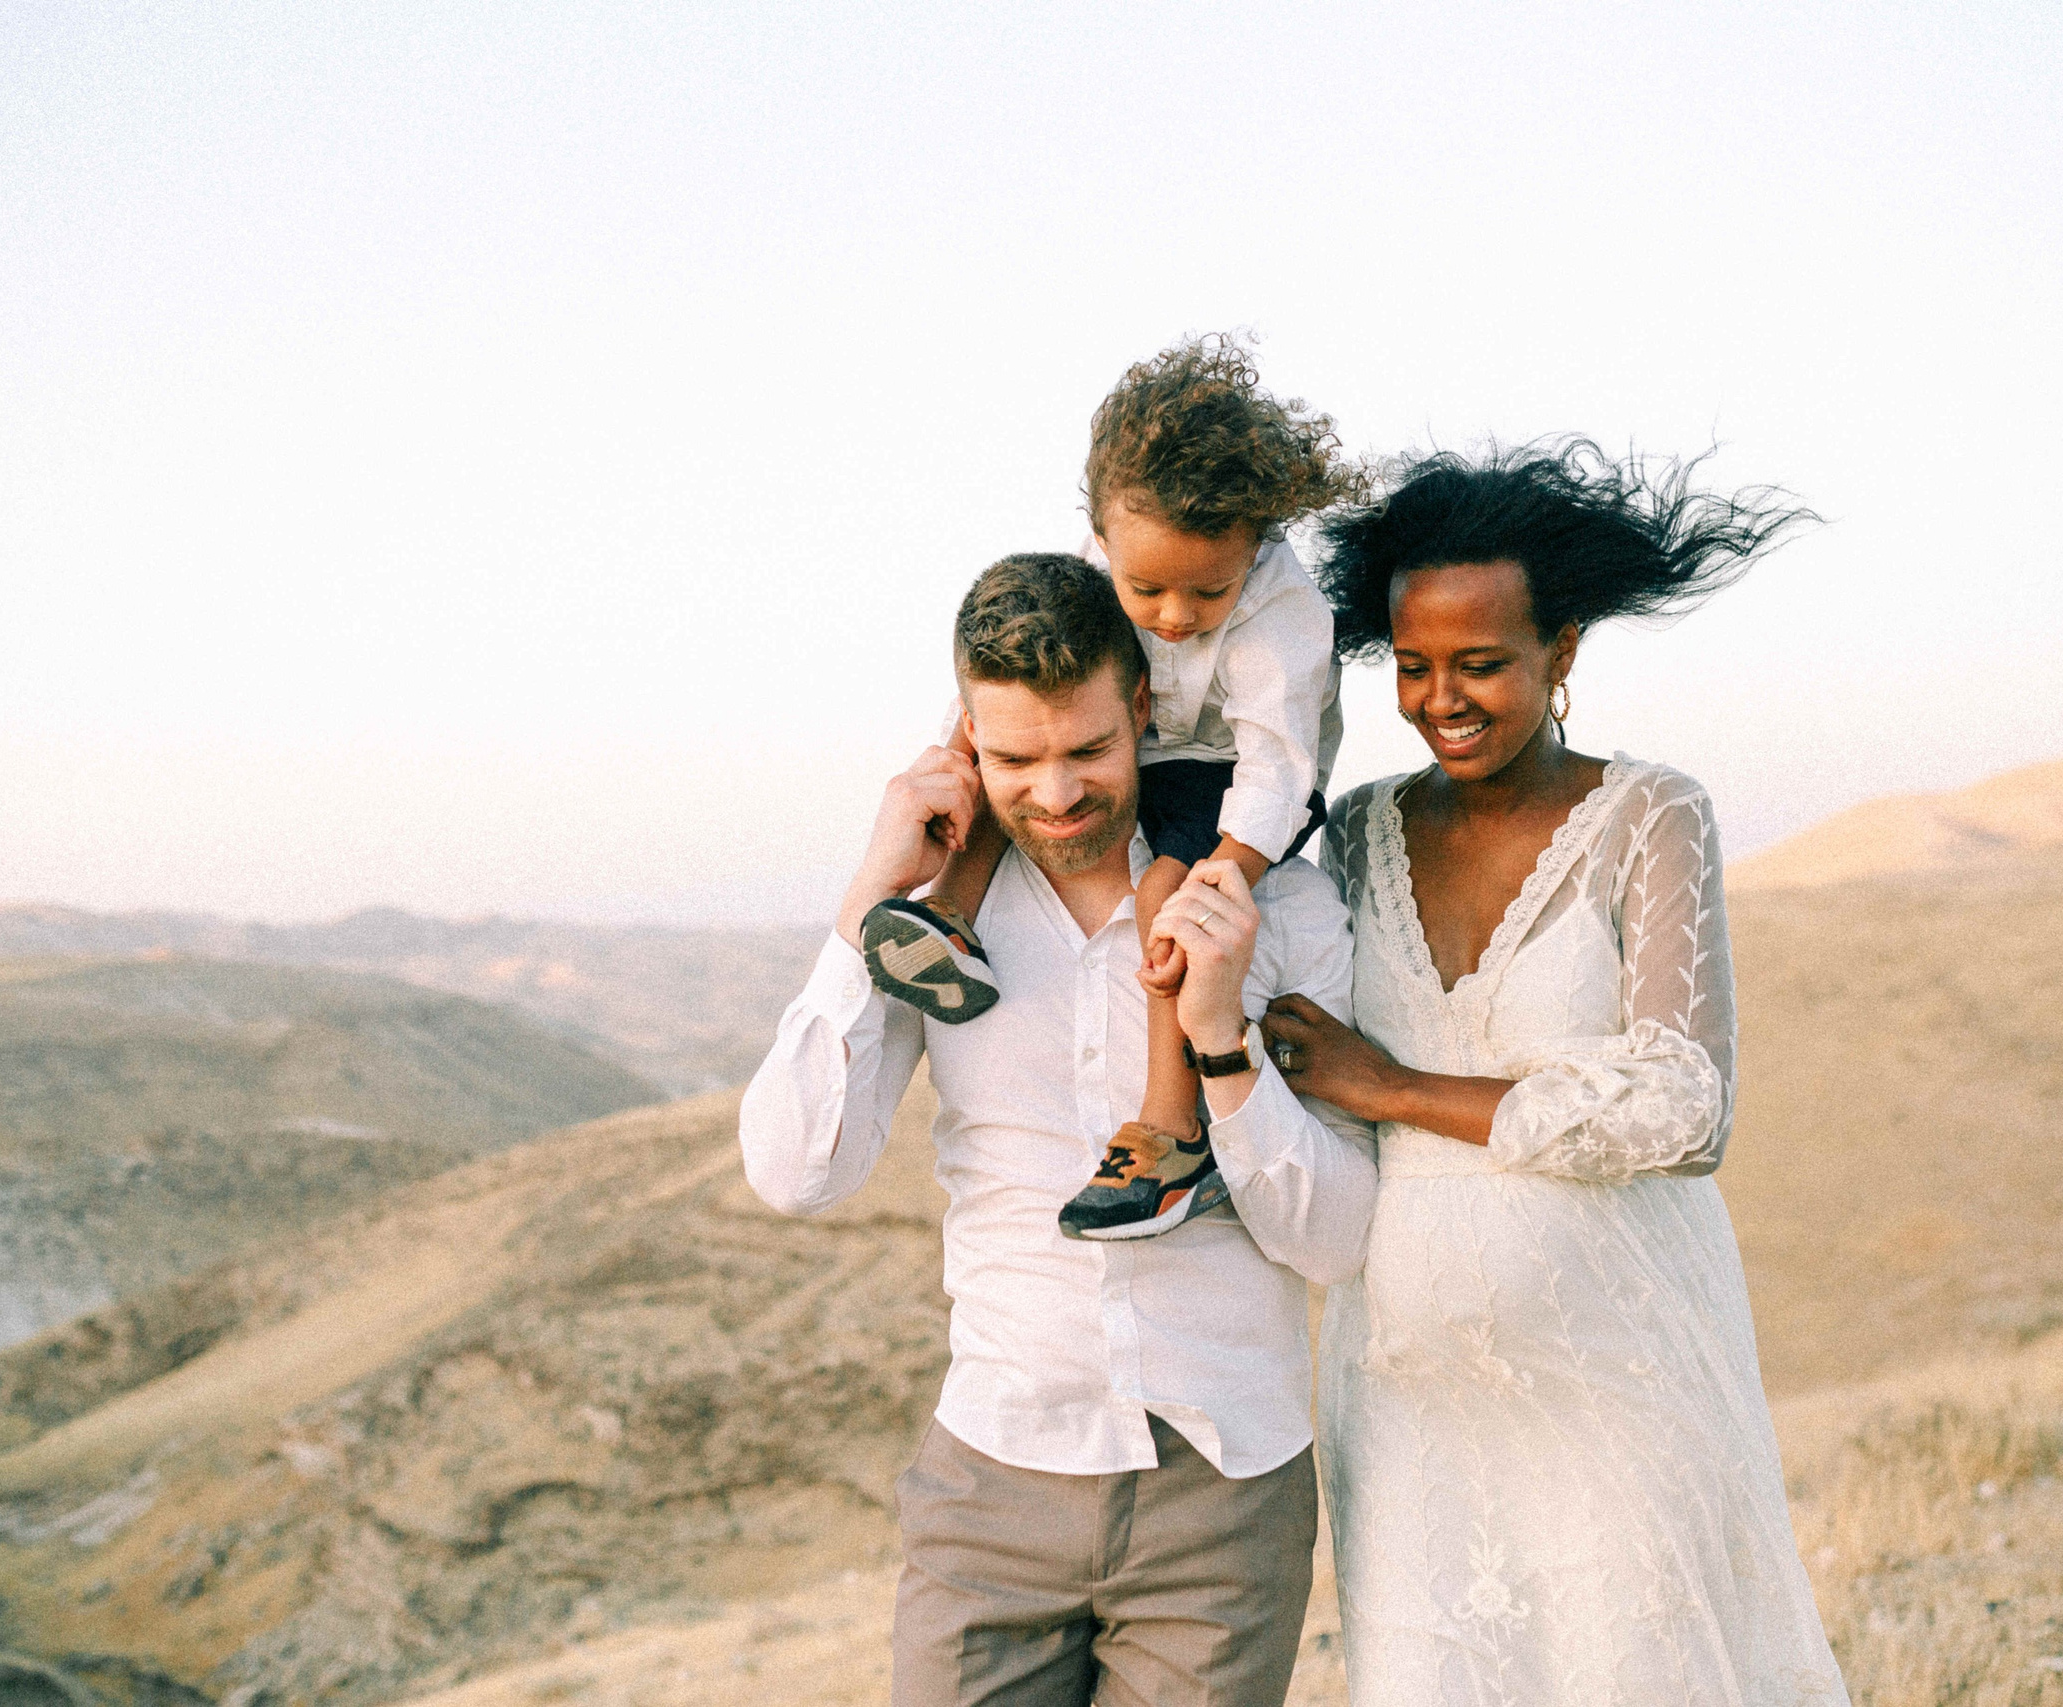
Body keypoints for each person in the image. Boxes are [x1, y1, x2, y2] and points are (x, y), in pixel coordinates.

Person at [1259, 442, 1851, 1704]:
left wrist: (1394, 1089)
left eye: (1482, 664)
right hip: (1408, 1394)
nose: (1441, 698)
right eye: (1413, 668)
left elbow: (1684, 1108)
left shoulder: (1650, 815)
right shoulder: (1358, 828)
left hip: (1619, 1376)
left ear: (1561, 652)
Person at [739, 551, 1378, 1705]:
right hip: (991, 1488)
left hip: (1224, 1501)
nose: (1054, 794)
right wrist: (863, 905)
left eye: (1086, 751)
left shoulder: (1278, 906)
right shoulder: (932, 923)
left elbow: (1337, 1243)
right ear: (963, 745)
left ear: (1141, 707)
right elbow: (796, 1174)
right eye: (1013, 759)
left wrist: (1222, 1042)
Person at [857, 335, 1360, 1240]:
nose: (1172, 615)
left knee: (1166, 895)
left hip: (1234, 777)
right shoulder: (1094, 569)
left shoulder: (1285, 610)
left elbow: (1278, 765)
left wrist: (1228, 872)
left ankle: (1170, 1126)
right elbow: (1001, 702)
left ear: (1257, 544)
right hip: (1137, 743)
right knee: (1025, 778)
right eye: (1145, 587)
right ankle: (950, 925)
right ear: (1101, 537)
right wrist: (964, 763)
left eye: (1207, 592)